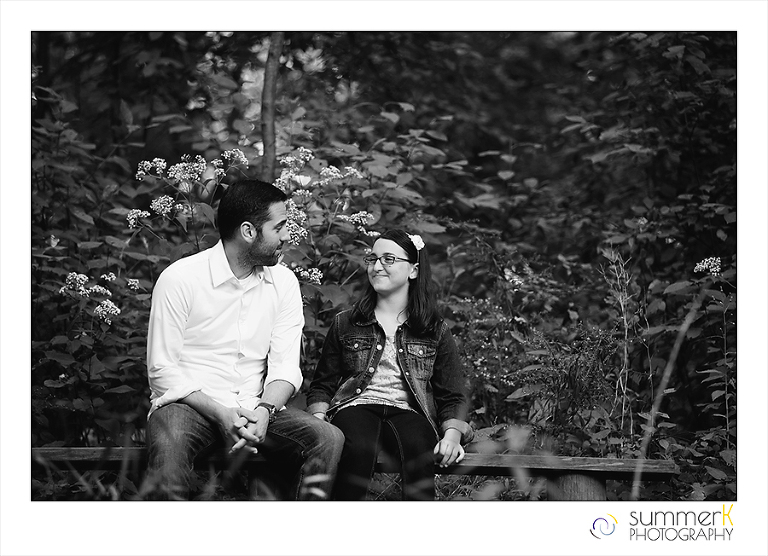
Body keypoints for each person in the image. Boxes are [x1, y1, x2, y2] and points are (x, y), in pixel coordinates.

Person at [144, 179, 344, 500]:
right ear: (248, 231)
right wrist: (220, 414)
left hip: (256, 406)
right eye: (279, 227)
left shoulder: (283, 282)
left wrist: (264, 410)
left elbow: (285, 369)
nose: (287, 236)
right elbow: (161, 371)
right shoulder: (181, 279)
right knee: (170, 441)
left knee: (327, 438)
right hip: (190, 406)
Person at [307, 229, 473, 500]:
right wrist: (318, 421)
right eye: (373, 258)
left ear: (413, 270)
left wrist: (452, 436)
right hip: (356, 406)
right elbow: (322, 385)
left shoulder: (434, 330)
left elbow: (452, 395)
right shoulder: (346, 322)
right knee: (358, 448)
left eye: (389, 259)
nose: (377, 266)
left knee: (420, 447)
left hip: (409, 411)